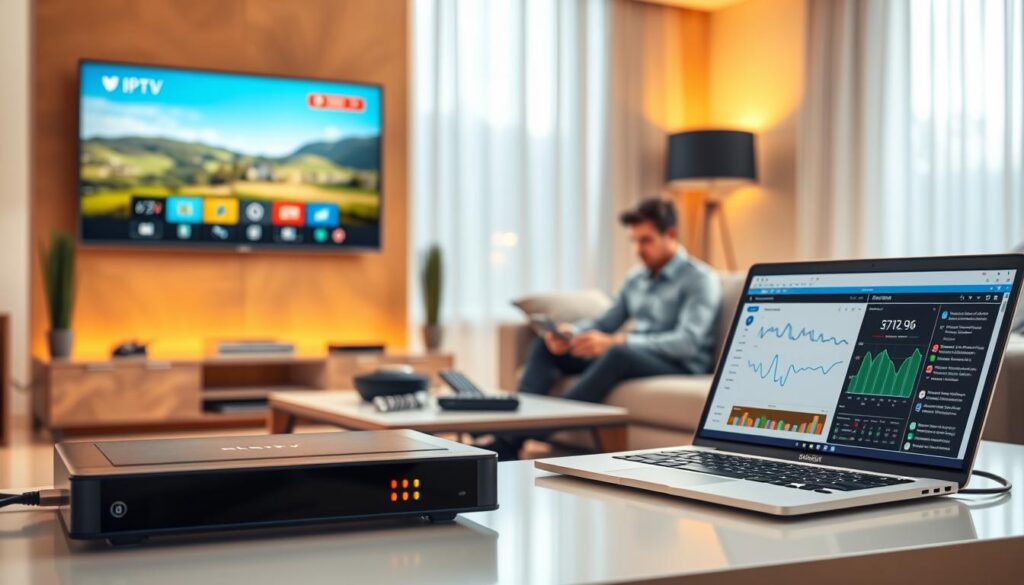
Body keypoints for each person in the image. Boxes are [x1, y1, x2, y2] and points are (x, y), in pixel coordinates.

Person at [487, 197, 722, 459]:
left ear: (671, 234)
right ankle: (510, 440)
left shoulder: (700, 279)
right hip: (633, 355)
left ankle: (541, 426)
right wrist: (571, 334)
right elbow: (605, 322)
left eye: (646, 240)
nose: (639, 249)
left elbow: (686, 342)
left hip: (679, 363)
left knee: (617, 354)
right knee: (545, 345)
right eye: (634, 241)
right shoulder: (637, 278)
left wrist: (617, 342)